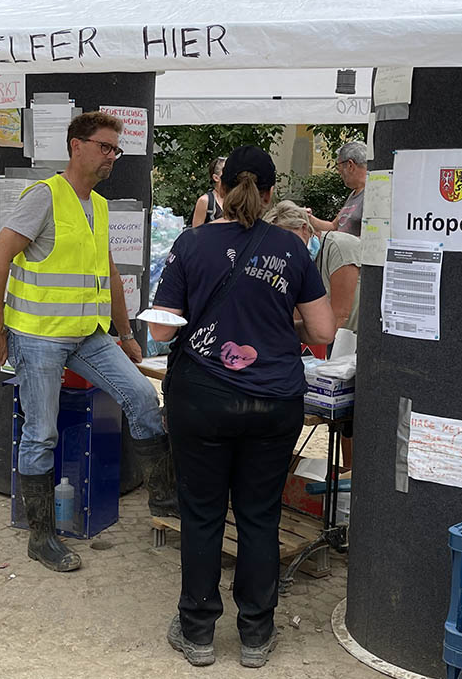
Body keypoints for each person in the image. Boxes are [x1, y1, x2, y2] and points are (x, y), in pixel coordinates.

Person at [151, 146, 335, 668]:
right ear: (272, 192)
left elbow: (162, 328)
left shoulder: (190, 244)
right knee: (259, 515)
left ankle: (198, 633)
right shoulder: (293, 249)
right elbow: (323, 331)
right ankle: (256, 635)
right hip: (274, 402)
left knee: (204, 513)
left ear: (222, 191)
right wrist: (278, 324)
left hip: (202, 400)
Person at [0, 111, 176, 574]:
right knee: (40, 434)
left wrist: (127, 334)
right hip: (39, 339)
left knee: (144, 400)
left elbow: (107, 273)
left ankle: (167, 501)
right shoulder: (45, 197)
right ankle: (41, 537)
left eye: (116, 149)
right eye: (105, 147)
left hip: (89, 335)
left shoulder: (99, 205)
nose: (112, 156)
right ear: (76, 145)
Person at [265, 200, 362, 332]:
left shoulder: (340, 247)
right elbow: (298, 312)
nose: (283, 248)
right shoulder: (291, 260)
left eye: (288, 240)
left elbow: (340, 314)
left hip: (352, 339)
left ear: (304, 228)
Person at [309, 141, 367, 237]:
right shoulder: (353, 194)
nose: (339, 173)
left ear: (350, 165)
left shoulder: (371, 195)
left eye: (339, 167)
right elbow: (333, 226)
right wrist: (307, 217)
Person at [190, 156, 226, 227]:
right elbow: (196, 234)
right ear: (216, 178)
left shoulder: (237, 198)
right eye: (227, 172)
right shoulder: (205, 201)